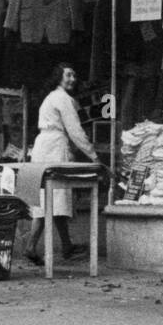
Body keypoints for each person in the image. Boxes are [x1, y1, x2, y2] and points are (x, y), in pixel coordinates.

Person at [25, 63, 99, 264]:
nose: (72, 79)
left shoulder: (52, 97)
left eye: (74, 75)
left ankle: (63, 245)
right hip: (54, 148)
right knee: (55, 197)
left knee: (51, 199)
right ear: (59, 77)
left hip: (44, 147)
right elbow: (75, 130)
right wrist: (93, 155)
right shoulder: (62, 99)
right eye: (68, 75)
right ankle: (38, 246)